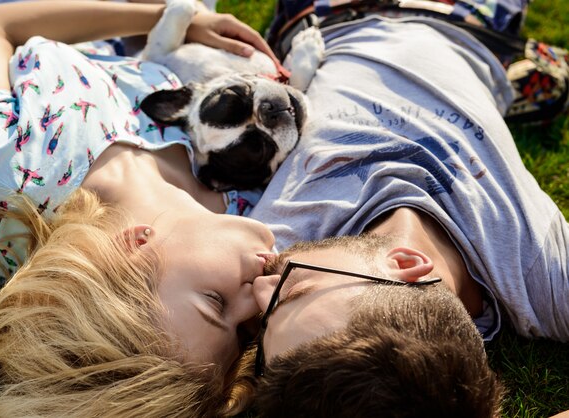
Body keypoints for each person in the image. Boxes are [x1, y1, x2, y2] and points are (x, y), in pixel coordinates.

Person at [232, 0, 569, 416]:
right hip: (458, 19)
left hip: (322, 21)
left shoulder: (269, 241)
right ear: (404, 263)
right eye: (293, 292)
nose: (257, 292)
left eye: (262, 325)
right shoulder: (536, 269)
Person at [0, 1, 280, 416]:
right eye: (244, 331)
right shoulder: (243, 196)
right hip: (126, 50)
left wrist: (172, 18)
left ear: (133, 247)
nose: (258, 301)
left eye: (215, 302)